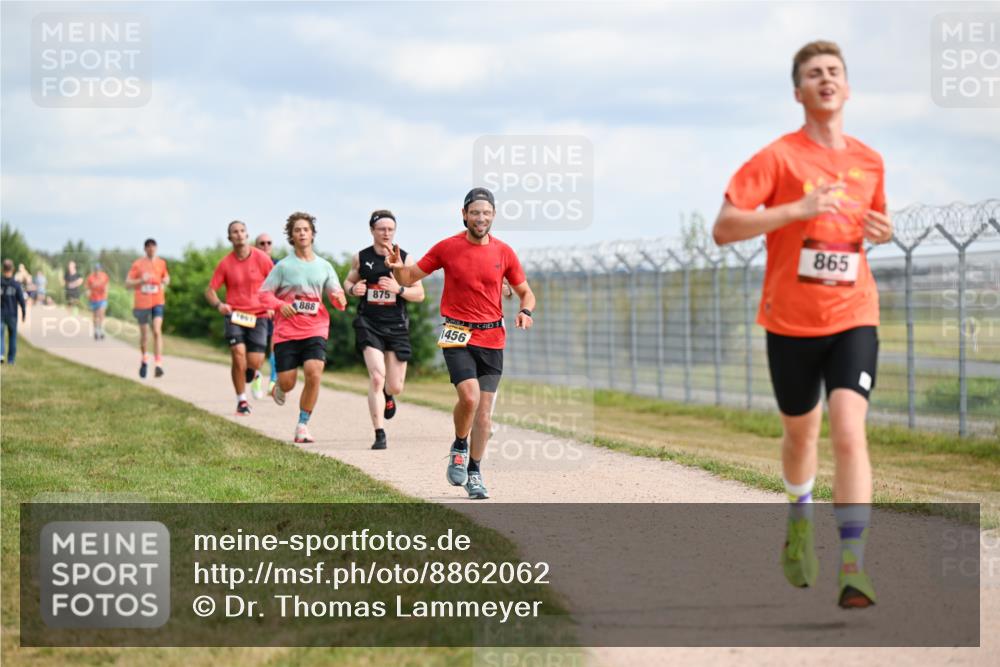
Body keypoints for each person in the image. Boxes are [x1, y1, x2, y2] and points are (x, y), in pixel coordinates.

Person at [712, 40, 893, 609]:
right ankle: (798, 516)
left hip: (853, 314)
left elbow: (864, 227)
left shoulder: (869, 161)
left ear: (847, 86)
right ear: (799, 92)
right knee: (800, 434)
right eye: (813, 73)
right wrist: (796, 211)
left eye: (834, 71)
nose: (825, 79)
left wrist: (879, 232)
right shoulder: (778, 158)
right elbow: (724, 227)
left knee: (847, 428)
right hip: (790, 321)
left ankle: (853, 565)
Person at [386, 187, 535, 500]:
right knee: (469, 398)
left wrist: (525, 310)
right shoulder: (447, 247)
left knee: (485, 415)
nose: (480, 218)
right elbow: (409, 278)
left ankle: (475, 472)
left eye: (486, 213)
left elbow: (526, 291)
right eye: (475, 212)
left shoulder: (504, 252)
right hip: (457, 334)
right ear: (464, 215)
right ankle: (459, 445)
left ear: (493, 216)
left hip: (493, 338)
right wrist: (396, 267)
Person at [258, 212, 346, 443]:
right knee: (287, 382)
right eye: (297, 230)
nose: (302, 233)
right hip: (287, 331)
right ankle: (279, 387)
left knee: (314, 372)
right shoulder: (283, 267)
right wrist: (279, 305)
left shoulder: (324, 266)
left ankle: (302, 424)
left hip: (315, 327)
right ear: (292, 236)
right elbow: (263, 295)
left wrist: (339, 299)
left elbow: (335, 295)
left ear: (312, 234)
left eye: (305, 229)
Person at [343, 210, 425, 450]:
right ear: (372, 231)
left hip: (397, 325)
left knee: (395, 385)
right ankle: (379, 433)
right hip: (369, 323)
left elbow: (419, 294)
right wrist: (352, 289)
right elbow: (349, 281)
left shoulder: (405, 260)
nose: (386, 233)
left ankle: (389, 397)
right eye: (381, 229)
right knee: (377, 377)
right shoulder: (361, 257)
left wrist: (398, 290)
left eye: (390, 229)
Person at [205, 221, 275, 415]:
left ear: (247, 234)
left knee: (254, 362)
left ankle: (252, 372)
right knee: (237, 354)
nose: (239, 234)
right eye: (234, 232)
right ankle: (241, 401)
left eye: (242, 231)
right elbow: (210, 290)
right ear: (230, 238)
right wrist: (219, 304)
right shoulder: (225, 263)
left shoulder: (262, 258)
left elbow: (275, 284)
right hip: (234, 315)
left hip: (259, 316)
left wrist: (272, 305)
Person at [125, 238, 170, 378]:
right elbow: (127, 283)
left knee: (157, 330)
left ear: (156, 248)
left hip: (157, 301)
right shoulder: (138, 264)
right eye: (148, 247)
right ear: (145, 249)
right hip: (142, 303)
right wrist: (141, 280)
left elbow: (166, 277)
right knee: (144, 335)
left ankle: (158, 364)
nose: (151, 249)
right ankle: (144, 359)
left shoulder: (162, 263)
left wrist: (166, 281)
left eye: (153, 247)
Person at [255, 233, 279, 394]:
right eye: (262, 243)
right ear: (256, 246)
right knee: (257, 348)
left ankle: (272, 382)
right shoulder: (252, 264)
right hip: (256, 312)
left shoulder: (278, 265)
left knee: (275, 347)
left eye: (268, 243)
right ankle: (256, 377)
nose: (265, 246)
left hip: (275, 312)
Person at [1, 259, 28, 365]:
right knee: (12, 337)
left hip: (1, 313)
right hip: (12, 314)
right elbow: (21, 300)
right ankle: (11, 360)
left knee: (0, 335)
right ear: (12, 269)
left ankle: (0, 354)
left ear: (3, 269)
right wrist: (24, 313)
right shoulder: (16, 285)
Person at [85, 263, 110, 340]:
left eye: (98, 270)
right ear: (94, 270)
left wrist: (106, 289)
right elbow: (87, 287)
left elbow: (107, 284)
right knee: (95, 316)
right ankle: (96, 330)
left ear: (100, 270)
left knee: (101, 314)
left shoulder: (104, 276)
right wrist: (88, 292)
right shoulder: (90, 277)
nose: (97, 271)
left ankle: (101, 330)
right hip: (93, 299)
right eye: (96, 270)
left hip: (102, 298)